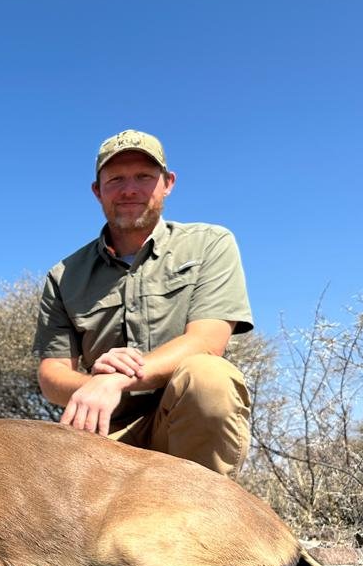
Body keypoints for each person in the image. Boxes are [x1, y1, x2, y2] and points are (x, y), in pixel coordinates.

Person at [33, 130, 253, 477]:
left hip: (181, 428)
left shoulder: (210, 244)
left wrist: (115, 380)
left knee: (209, 377)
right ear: (97, 190)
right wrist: (92, 386)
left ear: (168, 183)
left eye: (144, 177)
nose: (129, 190)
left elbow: (207, 342)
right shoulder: (64, 275)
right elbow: (52, 374)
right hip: (103, 434)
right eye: (116, 179)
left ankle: (202, 512)